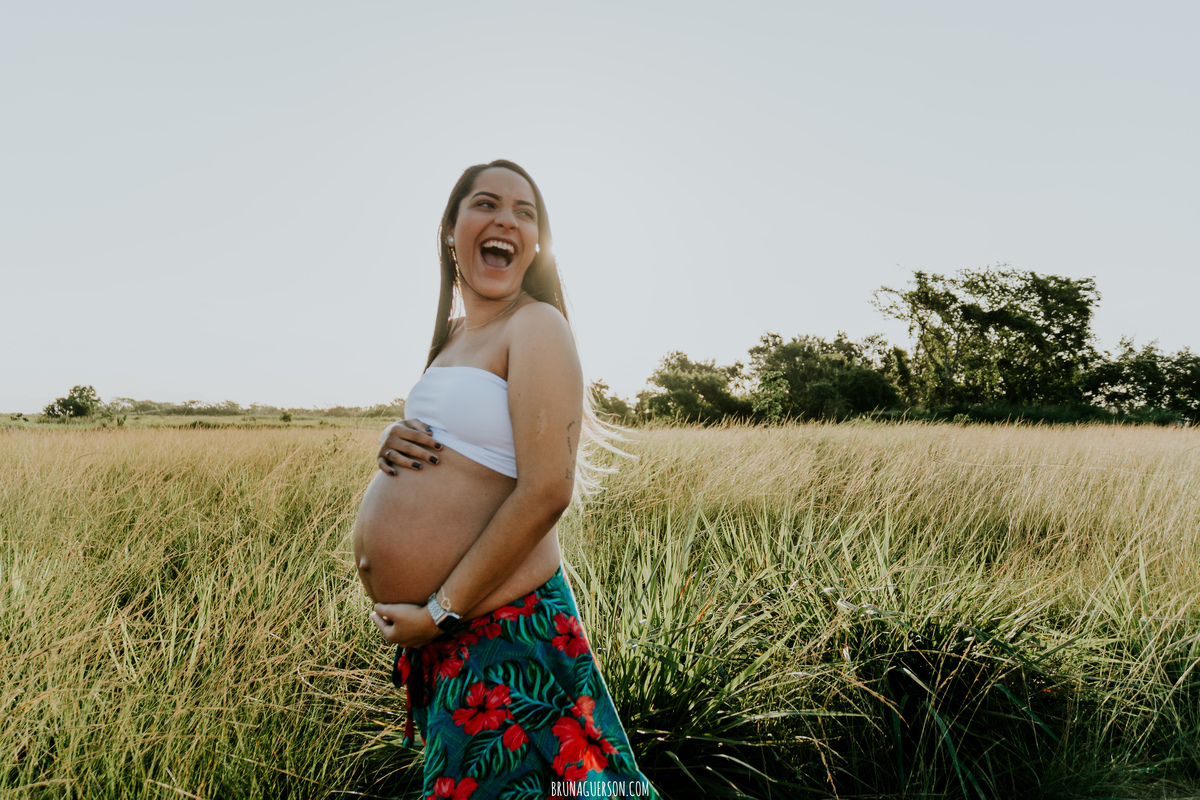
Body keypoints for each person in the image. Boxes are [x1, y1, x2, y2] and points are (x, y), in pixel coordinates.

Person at [351, 160, 659, 799]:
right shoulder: (456, 338)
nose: (507, 221)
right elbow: (465, 449)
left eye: (526, 213)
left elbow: (548, 489)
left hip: (502, 628)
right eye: (487, 204)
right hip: (458, 639)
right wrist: (392, 438)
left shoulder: (536, 324)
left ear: (538, 242)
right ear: (451, 228)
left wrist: (440, 611)